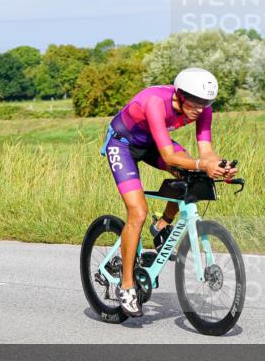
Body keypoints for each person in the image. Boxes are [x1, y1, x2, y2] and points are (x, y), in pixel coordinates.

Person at [100, 67, 239, 317]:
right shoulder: (155, 102)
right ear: (181, 95)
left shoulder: (204, 109)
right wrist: (201, 165)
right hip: (122, 145)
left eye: (206, 102)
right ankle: (127, 285)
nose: (200, 108)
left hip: (151, 143)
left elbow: (206, 152)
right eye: (195, 102)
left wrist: (218, 167)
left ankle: (163, 224)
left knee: (193, 175)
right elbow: (168, 157)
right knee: (138, 212)